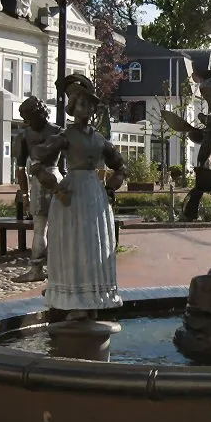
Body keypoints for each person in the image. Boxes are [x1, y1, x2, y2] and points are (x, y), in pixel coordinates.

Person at [32, 73, 125, 320]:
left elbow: (120, 165)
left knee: (94, 244)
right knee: (73, 244)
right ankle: (72, 299)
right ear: (72, 107)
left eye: (91, 105)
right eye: (82, 104)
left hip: (94, 195)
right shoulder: (65, 136)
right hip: (71, 194)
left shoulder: (99, 139)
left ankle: (93, 297)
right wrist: (55, 188)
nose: (87, 109)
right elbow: (37, 163)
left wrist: (111, 187)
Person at [12, 96, 60, 283]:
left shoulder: (25, 135)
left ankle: (36, 269)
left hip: (40, 180)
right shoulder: (58, 132)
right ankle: (55, 268)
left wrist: (25, 195)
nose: (27, 122)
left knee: (40, 229)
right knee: (55, 229)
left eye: (29, 118)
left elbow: (21, 169)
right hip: (56, 178)